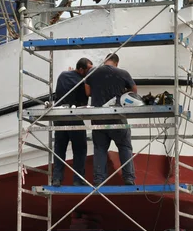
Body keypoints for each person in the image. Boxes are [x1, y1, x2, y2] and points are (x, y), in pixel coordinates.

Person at [85, 53, 137, 186]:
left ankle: (99, 180)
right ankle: (129, 178)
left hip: (98, 116)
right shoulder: (123, 73)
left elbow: (87, 92)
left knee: (100, 148)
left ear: (105, 61)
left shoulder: (92, 72)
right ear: (116, 62)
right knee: (124, 146)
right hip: (117, 116)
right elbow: (134, 91)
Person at [51, 57, 92, 186]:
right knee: (79, 149)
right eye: (89, 70)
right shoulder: (82, 81)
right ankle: (78, 179)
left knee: (59, 149)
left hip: (59, 117)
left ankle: (57, 178)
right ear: (81, 70)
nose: (91, 72)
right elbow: (86, 96)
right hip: (73, 117)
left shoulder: (63, 75)